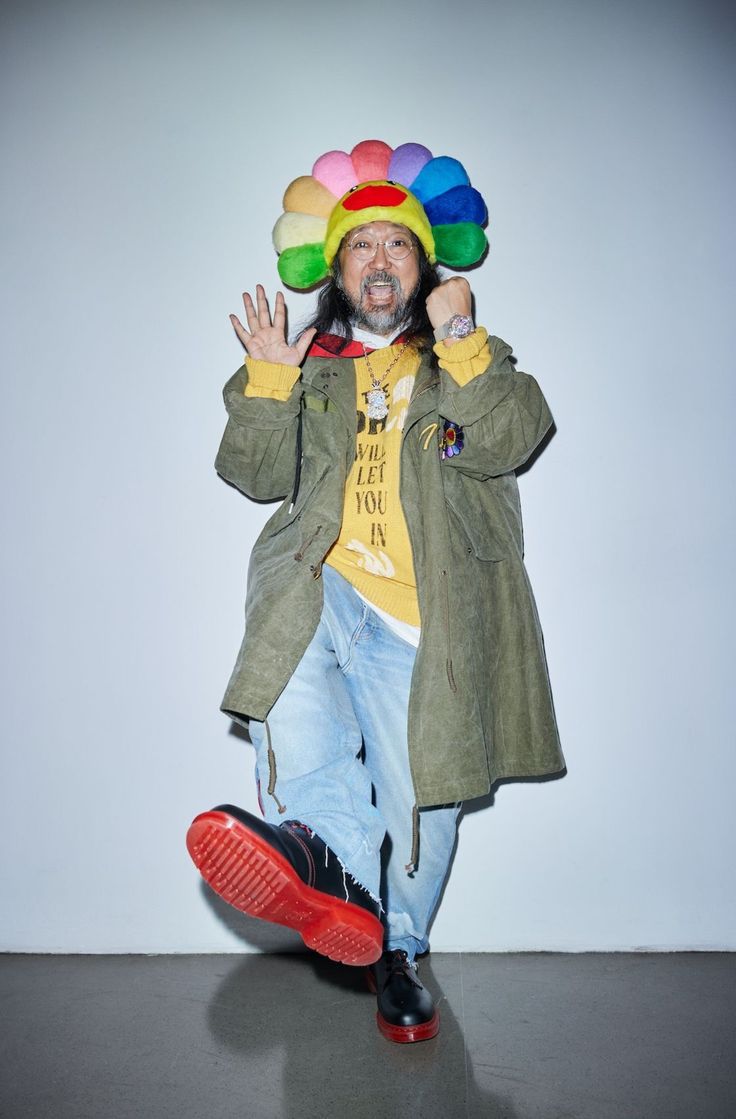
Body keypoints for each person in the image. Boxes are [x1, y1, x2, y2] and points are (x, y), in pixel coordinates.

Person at [187, 140, 564, 1044]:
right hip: (320, 587)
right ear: (338, 268)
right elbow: (252, 469)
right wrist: (271, 377)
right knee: (292, 714)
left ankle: (396, 941)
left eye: (398, 244)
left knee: (423, 806)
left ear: (425, 266)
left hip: (423, 616)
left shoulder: (468, 361)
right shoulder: (307, 364)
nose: (380, 260)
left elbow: (513, 435)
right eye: (362, 245)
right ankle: (343, 885)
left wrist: (465, 335)